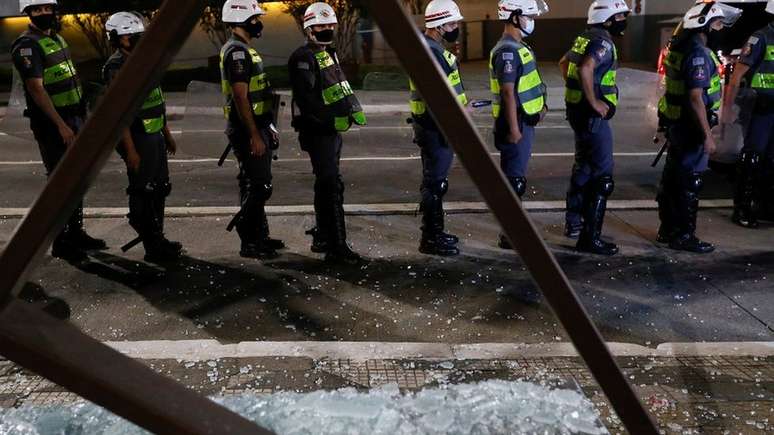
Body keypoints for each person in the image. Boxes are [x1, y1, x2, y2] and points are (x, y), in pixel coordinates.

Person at [11, 0, 106, 262]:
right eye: (38, 10)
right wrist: (60, 125)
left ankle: (76, 233)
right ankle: (62, 242)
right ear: (28, 13)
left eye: (47, 9)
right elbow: (36, 88)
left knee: (75, 179)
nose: (45, 13)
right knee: (60, 182)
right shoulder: (27, 45)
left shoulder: (57, 39)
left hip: (74, 117)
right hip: (54, 124)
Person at [657, 1, 741, 253]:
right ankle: (683, 236)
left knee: (673, 178)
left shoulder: (680, 49)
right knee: (688, 182)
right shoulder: (698, 54)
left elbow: (671, 91)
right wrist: (707, 135)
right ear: (704, 26)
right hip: (690, 128)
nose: (721, 28)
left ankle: (668, 230)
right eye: (717, 23)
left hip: (677, 124)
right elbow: (695, 97)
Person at [288, 2, 367, 265]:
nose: (327, 30)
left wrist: (350, 110)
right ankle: (336, 247)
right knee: (330, 185)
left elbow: (337, 88)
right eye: (321, 26)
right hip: (318, 132)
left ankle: (323, 236)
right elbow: (307, 100)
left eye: (330, 25)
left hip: (331, 131)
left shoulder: (326, 54)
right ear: (310, 29)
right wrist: (331, 121)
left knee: (329, 185)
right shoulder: (303, 57)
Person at [103, 11, 182, 263]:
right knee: (143, 191)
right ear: (116, 39)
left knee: (161, 188)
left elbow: (157, 101)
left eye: (138, 35)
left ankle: (157, 237)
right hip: (137, 138)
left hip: (155, 133)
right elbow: (119, 113)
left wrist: (166, 133)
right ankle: (151, 244)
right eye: (131, 36)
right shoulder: (116, 67)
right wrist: (130, 150)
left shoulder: (145, 60)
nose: (136, 40)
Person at [559, 0, 629, 256]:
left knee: (583, 168)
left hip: (578, 113)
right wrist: (594, 100)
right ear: (608, 19)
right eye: (620, 16)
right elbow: (585, 67)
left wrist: (576, 91)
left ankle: (574, 223)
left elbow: (563, 63)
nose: (624, 21)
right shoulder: (603, 42)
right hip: (592, 117)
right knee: (602, 177)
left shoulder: (583, 38)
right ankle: (591, 237)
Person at [219, 0, 284, 259]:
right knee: (259, 186)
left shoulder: (244, 48)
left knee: (253, 183)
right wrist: (255, 135)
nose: (258, 22)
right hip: (247, 129)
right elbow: (240, 97)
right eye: (255, 18)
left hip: (256, 125)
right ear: (241, 20)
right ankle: (249, 239)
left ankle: (258, 236)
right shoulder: (236, 52)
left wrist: (267, 125)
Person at [409, 0, 467, 256]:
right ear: (438, 25)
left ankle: (435, 232)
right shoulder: (431, 52)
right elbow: (435, 99)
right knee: (435, 184)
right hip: (436, 128)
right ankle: (430, 237)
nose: (456, 28)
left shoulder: (430, 49)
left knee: (436, 182)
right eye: (452, 23)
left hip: (434, 125)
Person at [490, 0, 549, 249]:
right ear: (515, 17)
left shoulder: (518, 46)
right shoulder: (507, 50)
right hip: (514, 125)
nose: (531, 21)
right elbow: (507, 91)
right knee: (513, 181)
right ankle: (509, 234)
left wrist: (540, 106)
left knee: (516, 179)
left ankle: (512, 230)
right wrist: (515, 129)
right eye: (528, 16)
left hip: (525, 121)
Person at [723, 0, 774, 228]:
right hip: (760, 108)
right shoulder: (760, 37)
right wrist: (728, 108)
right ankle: (742, 208)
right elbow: (736, 77)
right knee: (753, 155)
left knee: (771, 160)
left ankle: (765, 206)